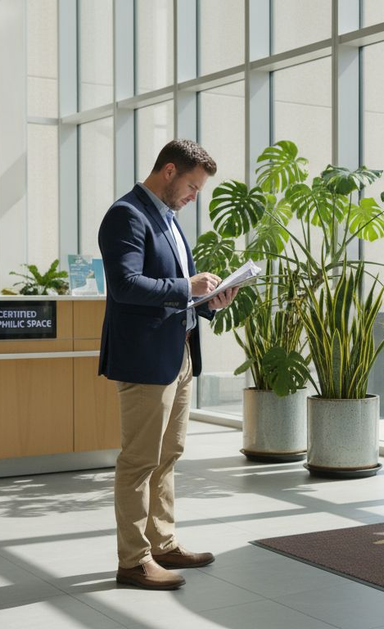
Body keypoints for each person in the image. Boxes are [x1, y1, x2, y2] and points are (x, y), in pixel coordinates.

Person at [98, 139, 238, 591]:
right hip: (143, 357)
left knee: (168, 455)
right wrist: (185, 285)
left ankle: (162, 543)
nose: (195, 196)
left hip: (178, 354)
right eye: (194, 187)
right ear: (170, 171)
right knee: (139, 460)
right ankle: (133, 561)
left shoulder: (170, 221)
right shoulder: (127, 215)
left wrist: (210, 300)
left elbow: (180, 292)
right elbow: (125, 285)